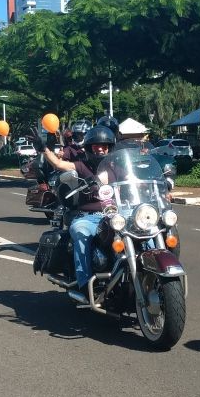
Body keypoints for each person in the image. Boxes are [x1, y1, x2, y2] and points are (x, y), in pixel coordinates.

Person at [39, 124, 116, 298]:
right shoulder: (82, 167)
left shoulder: (116, 167)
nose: (101, 150)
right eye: (97, 146)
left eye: (104, 146)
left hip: (116, 215)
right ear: (89, 148)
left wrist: (161, 189)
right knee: (80, 232)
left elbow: (135, 181)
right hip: (89, 217)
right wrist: (43, 148)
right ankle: (85, 283)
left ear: (110, 148)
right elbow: (59, 164)